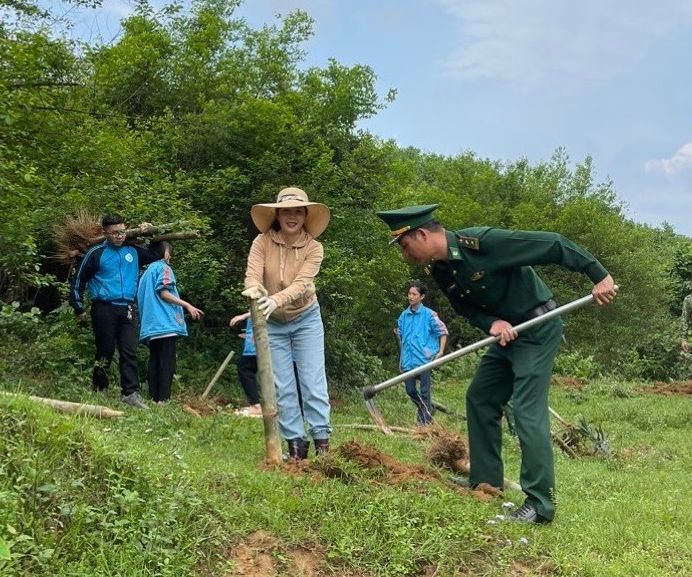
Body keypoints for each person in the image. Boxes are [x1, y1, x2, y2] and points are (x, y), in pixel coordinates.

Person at [375, 204, 616, 525]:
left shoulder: (484, 243)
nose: (405, 255)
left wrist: (599, 275)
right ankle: (485, 482)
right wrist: (492, 323)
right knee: (480, 398)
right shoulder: (442, 270)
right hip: (507, 335)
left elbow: (554, 244)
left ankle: (540, 504)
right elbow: (465, 309)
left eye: (405, 246)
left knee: (526, 409)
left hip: (538, 326)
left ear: (421, 234)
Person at [242, 187, 333, 460]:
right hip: (272, 322)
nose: (291, 216)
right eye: (286, 211)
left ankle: (323, 444)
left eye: (297, 211)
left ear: (305, 216)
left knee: (312, 382)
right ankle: (296, 446)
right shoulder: (262, 242)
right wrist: (254, 290)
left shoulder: (314, 248)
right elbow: (252, 275)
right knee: (282, 385)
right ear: (277, 215)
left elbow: (302, 284)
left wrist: (275, 299)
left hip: (306, 318)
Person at [69, 214, 156, 410]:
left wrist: (152, 231)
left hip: (126, 308)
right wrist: (78, 307)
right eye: (115, 233)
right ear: (105, 233)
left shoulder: (133, 251)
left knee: (129, 350)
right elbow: (78, 281)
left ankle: (130, 393)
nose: (119, 236)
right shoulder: (96, 253)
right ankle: (99, 387)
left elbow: (157, 253)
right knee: (105, 350)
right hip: (103, 308)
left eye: (122, 232)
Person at [136, 241, 203, 404]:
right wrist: (187, 305)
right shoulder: (164, 268)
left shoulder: (145, 273)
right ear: (165, 254)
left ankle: (154, 398)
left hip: (151, 326)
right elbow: (163, 291)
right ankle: (163, 399)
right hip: (165, 324)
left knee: (155, 361)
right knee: (167, 362)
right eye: (169, 252)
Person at [394, 280, 448, 425]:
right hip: (408, 361)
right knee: (410, 391)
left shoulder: (429, 315)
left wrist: (440, 351)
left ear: (421, 297)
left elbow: (442, 332)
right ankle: (427, 408)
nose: (411, 297)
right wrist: (401, 361)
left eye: (414, 294)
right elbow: (402, 341)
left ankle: (423, 422)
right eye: (409, 294)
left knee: (425, 392)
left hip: (424, 359)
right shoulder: (403, 316)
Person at [229, 311, 262, 417]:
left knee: (245, 368)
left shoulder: (263, 295)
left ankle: (256, 406)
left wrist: (242, 316)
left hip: (258, 342)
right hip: (257, 339)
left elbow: (260, 308)